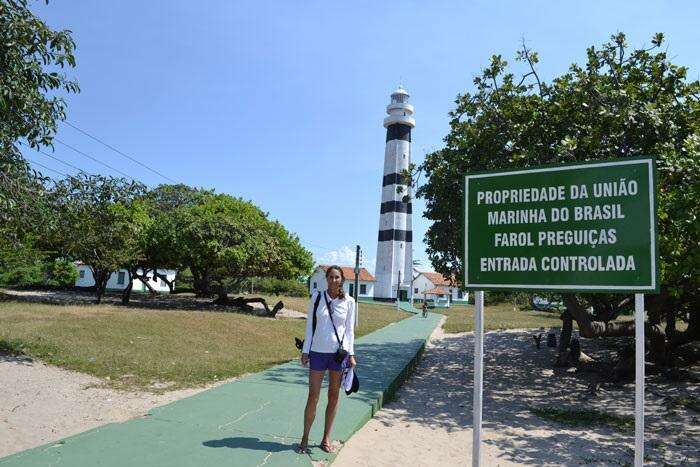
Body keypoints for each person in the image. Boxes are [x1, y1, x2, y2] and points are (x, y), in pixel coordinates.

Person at [298, 265, 356, 454]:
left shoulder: (349, 301)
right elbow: (309, 327)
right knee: (313, 396)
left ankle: (325, 439)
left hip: (337, 356)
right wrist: (305, 351)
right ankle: (305, 438)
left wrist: (351, 354)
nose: (333, 280)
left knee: (334, 396)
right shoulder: (316, 297)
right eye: (330, 277)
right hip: (317, 353)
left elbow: (349, 331)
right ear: (326, 279)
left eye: (337, 277)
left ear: (342, 280)